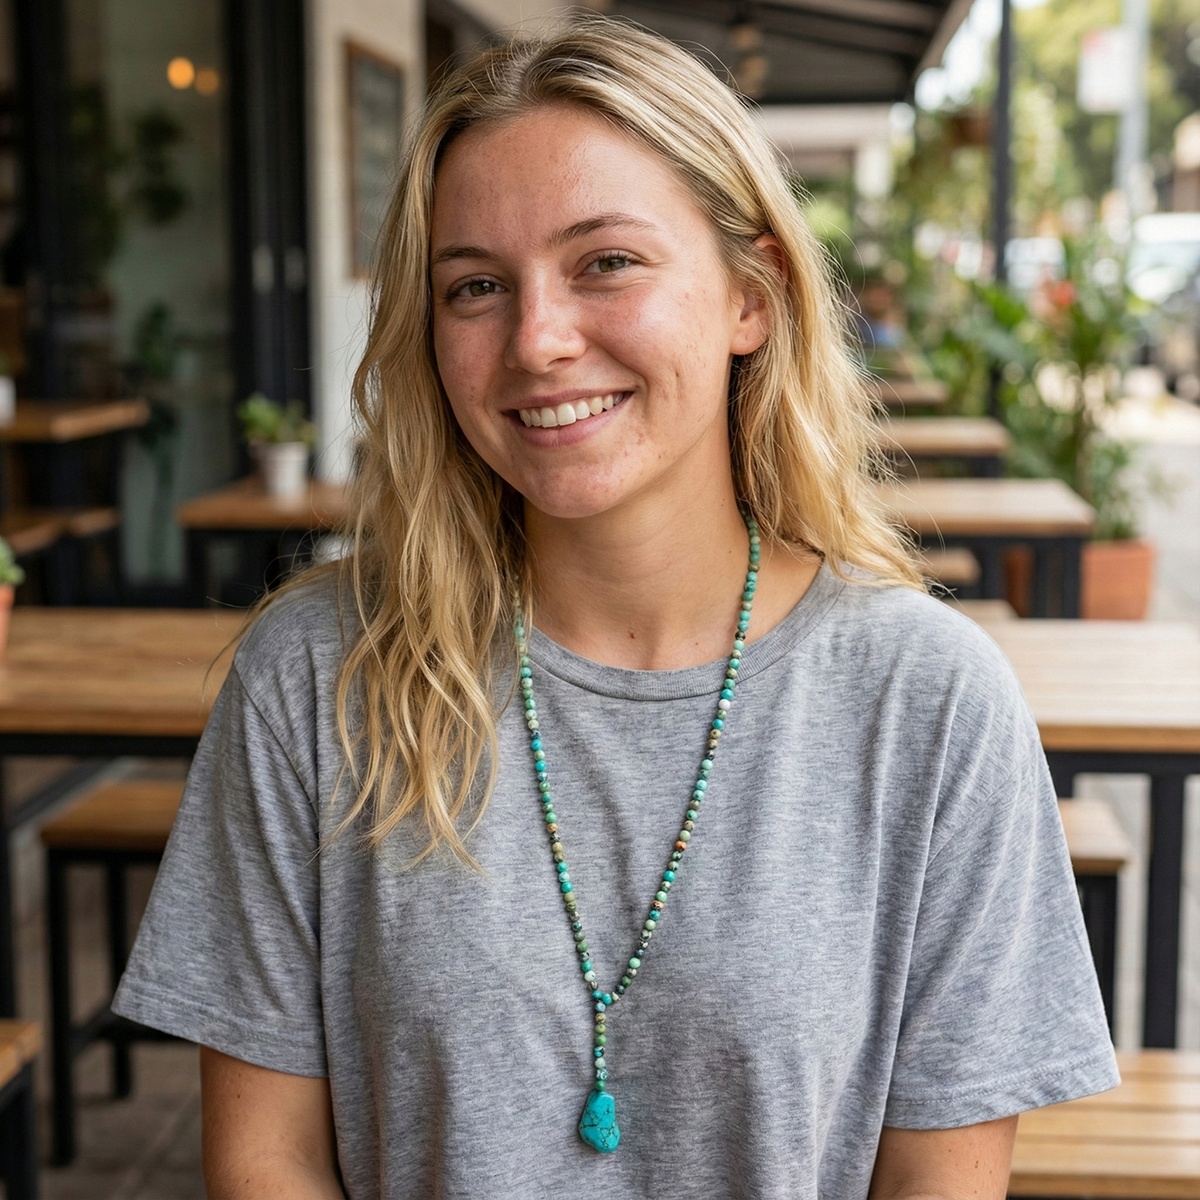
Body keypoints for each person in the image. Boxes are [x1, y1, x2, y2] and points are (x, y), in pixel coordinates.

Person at [114, 18, 1118, 1199]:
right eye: (476, 286)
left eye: (607, 262)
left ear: (753, 295)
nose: (537, 339)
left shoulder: (929, 703)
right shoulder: (317, 675)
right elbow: (266, 1165)